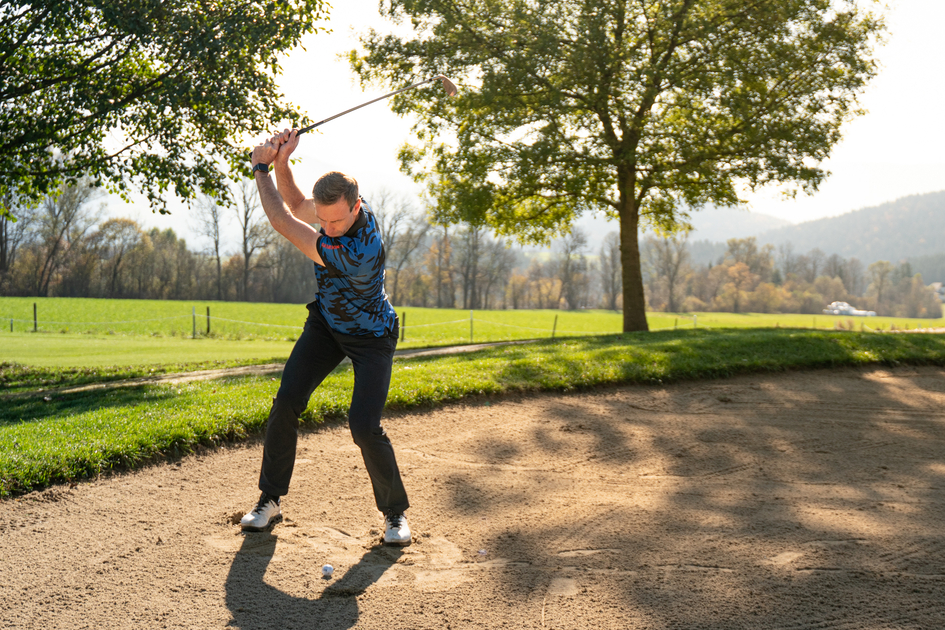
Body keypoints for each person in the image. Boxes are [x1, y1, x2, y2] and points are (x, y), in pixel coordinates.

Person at [240, 129, 410, 545]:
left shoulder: (359, 249)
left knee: (364, 426)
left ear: (357, 206)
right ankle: (270, 499)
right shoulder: (336, 210)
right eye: (324, 220)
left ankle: (395, 514)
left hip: (371, 335)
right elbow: (299, 204)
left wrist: (260, 168)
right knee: (286, 402)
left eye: (337, 220)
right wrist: (283, 162)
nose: (329, 228)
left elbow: (283, 221)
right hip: (328, 326)